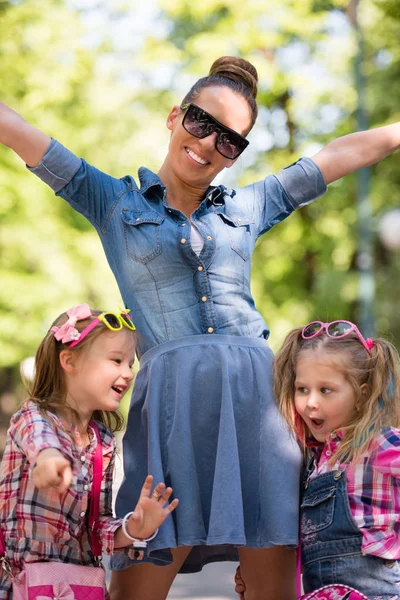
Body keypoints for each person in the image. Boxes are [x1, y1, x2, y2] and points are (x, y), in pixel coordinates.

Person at [0, 55, 399, 600]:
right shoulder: (113, 203)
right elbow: (23, 134)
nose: (210, 143)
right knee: (135, 588)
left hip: (259, 407)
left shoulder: (251, 206)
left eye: (230, 140)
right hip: (171, 409)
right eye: (200, 122)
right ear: (174, 116)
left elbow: (335, 156)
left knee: (272, 592)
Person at [0, 304, 178, 600]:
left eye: (130, 364)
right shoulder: (33, 416)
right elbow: (40, 441)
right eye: (116, 360)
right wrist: (48, 458)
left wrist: (133, 528)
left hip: (75, 588)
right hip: (21, 586)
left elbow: (96, 528)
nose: (128, 373)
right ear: (70, 361)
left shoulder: (102, 441)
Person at [272, 320, 400, 599]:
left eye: (325, 390)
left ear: (361, 395)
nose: (311, 402)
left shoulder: (377, 443)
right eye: (302, 389)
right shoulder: (314, 464)